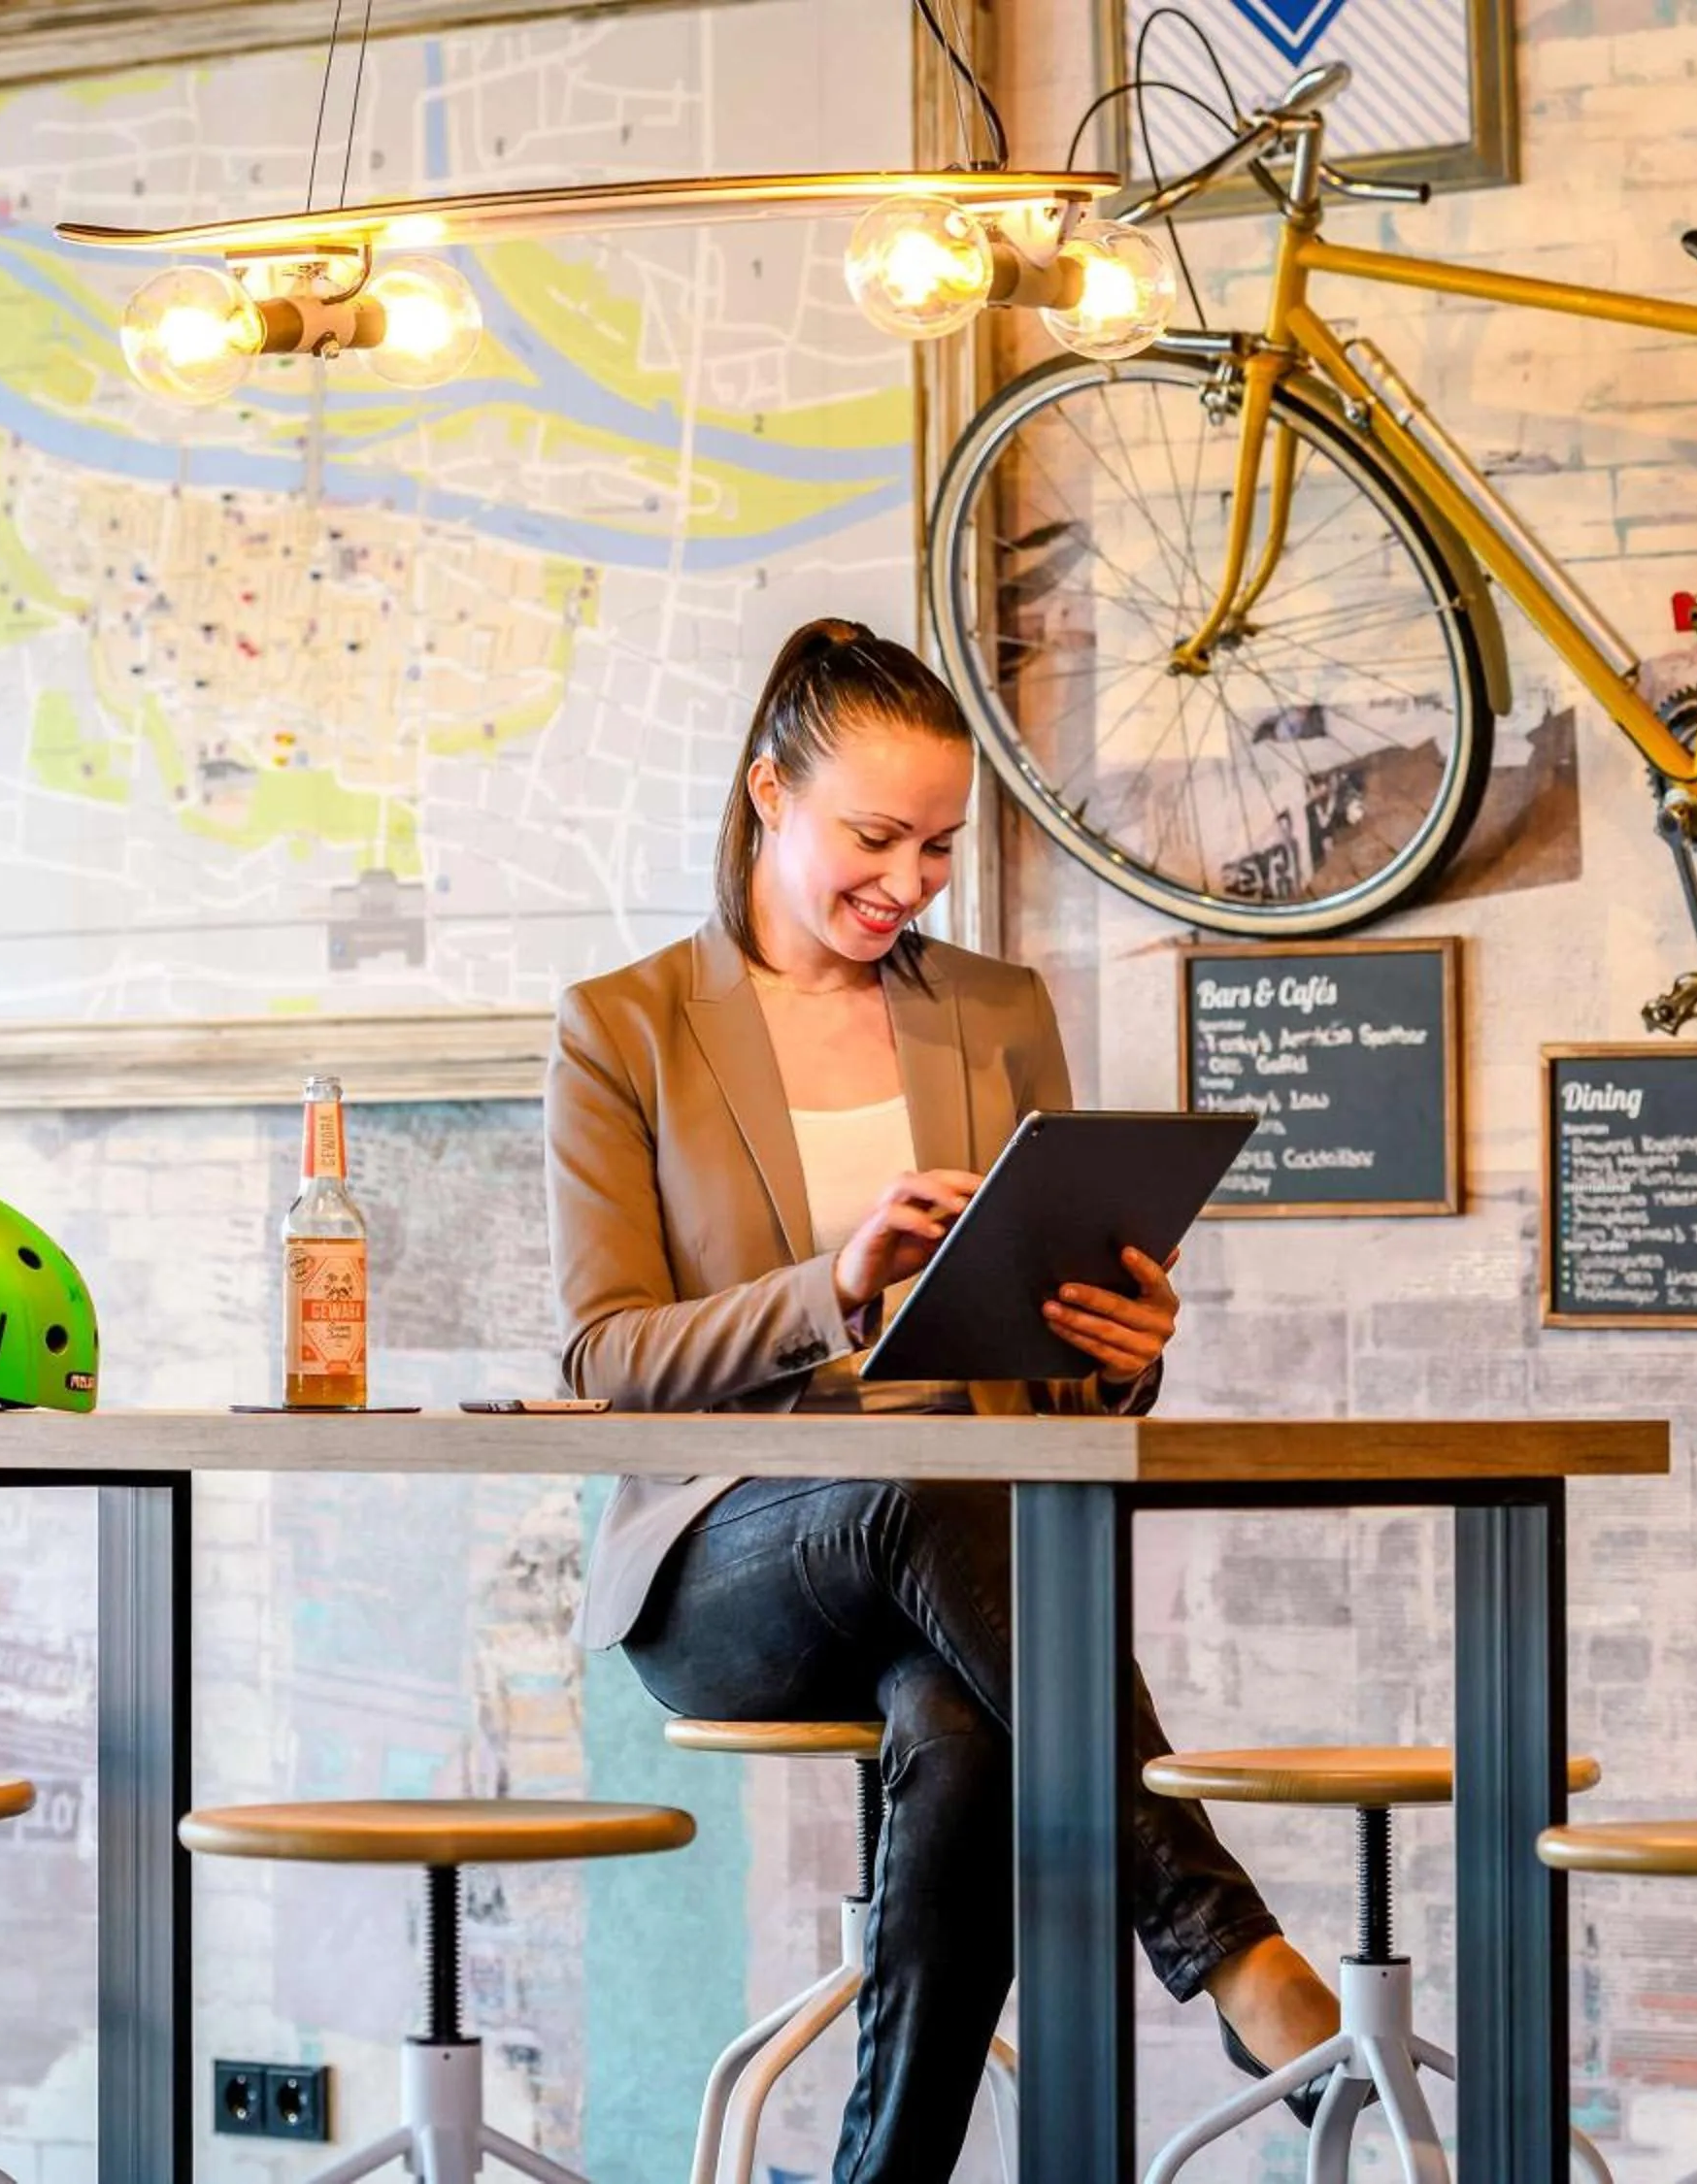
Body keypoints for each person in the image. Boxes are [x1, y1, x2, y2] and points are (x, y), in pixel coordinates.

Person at [546, 619, 1339, 2179]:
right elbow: (601, 1356)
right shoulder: (624, 1025)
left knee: (970, 1733)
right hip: (724, 1562)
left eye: (939, 845)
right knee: (910, 1491)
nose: (909, 880)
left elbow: (1045, 1338)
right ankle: (1224, 1935)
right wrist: (833, 1286)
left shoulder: (992, 1006)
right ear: (769, 792)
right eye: (873, 836)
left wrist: (1121, 1341)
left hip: (960, 1550)